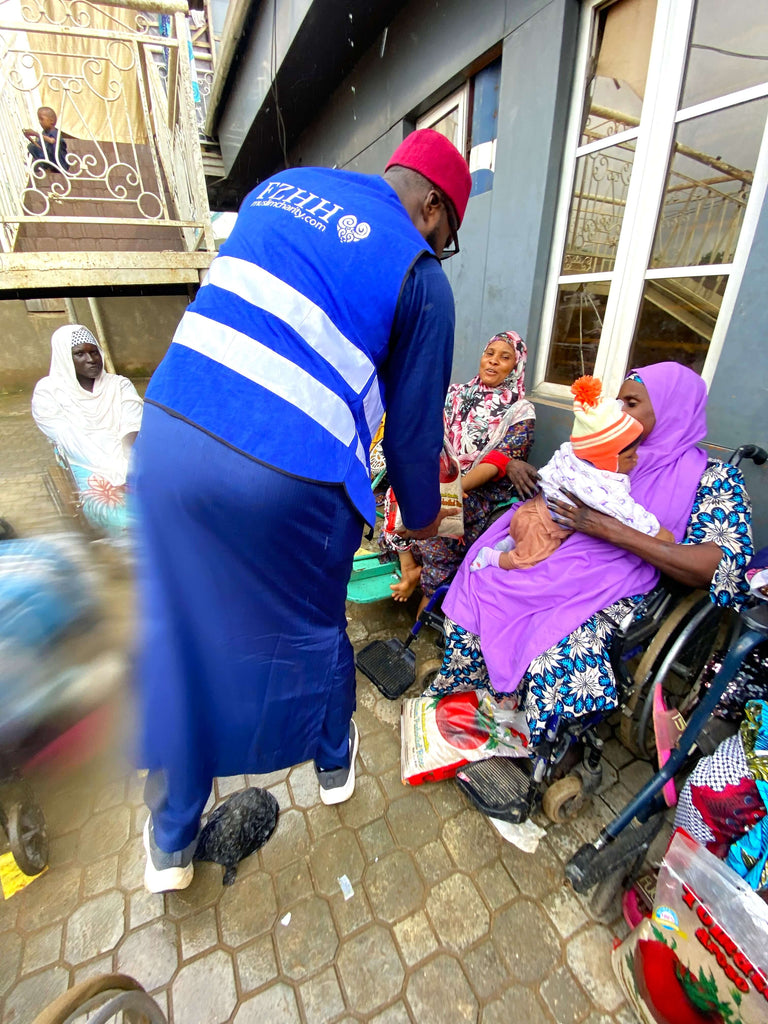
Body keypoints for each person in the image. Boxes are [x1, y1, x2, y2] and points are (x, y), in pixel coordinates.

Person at [132, 129, 472, 892]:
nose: (442, 248)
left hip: (170, 435)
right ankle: (332, 764)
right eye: (448, 236)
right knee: (311, 632)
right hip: (287, 475)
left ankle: (171, 841)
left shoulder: (277, 187)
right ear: (431, 208)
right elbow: (416, 442)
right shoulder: (421, 276)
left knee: (183, 633)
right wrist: (422, 522)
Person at [426, 362, 754, 743]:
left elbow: (719, 566)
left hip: (625, 579)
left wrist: (611, 530)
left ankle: (549, 741)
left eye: (630, 403)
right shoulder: (606, 445)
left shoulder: (712, 479)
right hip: (560, 550)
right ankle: (482, 691)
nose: (618, 411)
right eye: (617, 401)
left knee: (555, 644)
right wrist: (520, 471)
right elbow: (557, 483)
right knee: (481, 583)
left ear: (671, 410)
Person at [379, 331, 535, 604]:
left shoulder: (521, 410)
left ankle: (428, 599)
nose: (494, 362)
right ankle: (410, 569)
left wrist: (456, 485)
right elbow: (429, 435)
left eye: (505, 357)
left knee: (436, 517)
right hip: (441, 474)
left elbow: (500, 458)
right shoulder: (455, 394)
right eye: (490, 354)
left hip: (480, 489)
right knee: (399, 494)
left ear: (516, 366)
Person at [470, 375, 672, 572]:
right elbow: (626, 512)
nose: (636, 460)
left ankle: (508, 542)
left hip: (529, 511)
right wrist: (657, 533)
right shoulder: (599, 486)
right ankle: (492, 556)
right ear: (606, 459)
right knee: (525, 562)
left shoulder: (571, 453)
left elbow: (549, 471)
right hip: (543, 529)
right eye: (630, 457)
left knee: (518, 537)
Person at [31, 325, 143, 537]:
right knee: (120, 517)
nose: (91, 359)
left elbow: (132, 425)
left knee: (165, 504)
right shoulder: (48, 392)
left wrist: (129, 462)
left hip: (127, 457)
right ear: (65, 357)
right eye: (79, 354)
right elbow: (70, 439)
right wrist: (114, 470)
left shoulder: (119, 385)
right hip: (84, 461)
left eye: (93, 351)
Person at [23, 107, 68, 174]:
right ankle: (46, 166)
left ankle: (47, 166)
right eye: (39, 119)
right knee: (31, 147)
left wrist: (35, 133)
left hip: (59, 161)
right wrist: (29, 137)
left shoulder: (54, 132)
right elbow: (40, 147)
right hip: (50, 159)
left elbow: (52, 141)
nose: (40, 122)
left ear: (51, 121)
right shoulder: (44, 133)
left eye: (42, 119)